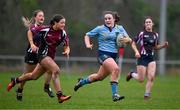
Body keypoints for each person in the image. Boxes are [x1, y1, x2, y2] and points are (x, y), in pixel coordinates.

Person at [7, 14, 71, 103]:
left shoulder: (63, 33)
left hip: (50, 57)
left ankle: (15, 80)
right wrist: (32, 43)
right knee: (56, 70)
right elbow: (30, 31)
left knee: (33, 76)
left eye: (64, 23)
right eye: (62, 23)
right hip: (42, 55)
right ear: (55, 23)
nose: (63, 25)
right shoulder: (45, 29)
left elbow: (66, 45)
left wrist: (67, 50)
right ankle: (60, 96)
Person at [74, 11, 132, 102]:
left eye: (109, 18)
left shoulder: (120, 28)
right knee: (116, 69)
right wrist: (88, 44)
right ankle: (115, 95)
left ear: (114, 19)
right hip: (103, 54)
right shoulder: (100, 28)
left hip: (113, 56)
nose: (107, 20)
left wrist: (125, 40)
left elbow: (129, 40)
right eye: (105, 19)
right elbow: (87, 35)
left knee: (99, 77)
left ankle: (81, 82)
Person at [126, 16, 168, 100]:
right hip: (142, 58)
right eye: (147, 22)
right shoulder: (141, 33)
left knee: (151, 77)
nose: (148, 23)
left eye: (150, 22)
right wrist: (136, 52)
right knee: (141, 79)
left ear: (152, 24)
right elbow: (133, 44)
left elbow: (155, 47)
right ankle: (132, 74)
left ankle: (147, 95)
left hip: (151, 58)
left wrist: (163, 46)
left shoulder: (156, 35)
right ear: (144, 24)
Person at [16, 10, 54, 101]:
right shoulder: (33, 28)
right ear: (35, 17)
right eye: (40, 16)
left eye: (43, 16)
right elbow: (29, 32)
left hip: (41, 54)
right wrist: (32, 44)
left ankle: (46, 87)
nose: (42, 17)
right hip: (32, 54)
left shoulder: (45, 28)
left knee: (50, 69)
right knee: (28, 75)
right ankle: (20, 89)